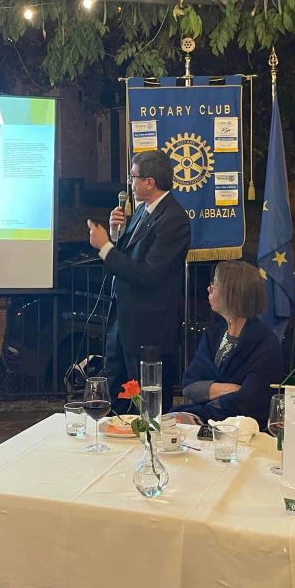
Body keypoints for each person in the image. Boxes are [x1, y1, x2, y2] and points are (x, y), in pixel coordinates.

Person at [86, 151, 190, 412]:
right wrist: (116, 234)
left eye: (133, 177)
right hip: (123, 322)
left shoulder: (174, 219)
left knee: (146, 406)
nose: (130, 184)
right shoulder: (144, 210)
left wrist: (105, 247)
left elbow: (148, 273)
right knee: (117, 397)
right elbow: (130, 257)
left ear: (150, 182)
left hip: (148, 330)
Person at [172, 261, 283, 425]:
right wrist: (231, 388)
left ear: (231, 294)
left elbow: (249, 400)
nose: (209, 289)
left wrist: (208, 394)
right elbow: (189, 386)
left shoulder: (265, 343)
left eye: (214, 286)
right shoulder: (213, 335)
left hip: (243, 426)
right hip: (203, 415)